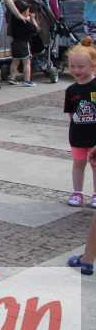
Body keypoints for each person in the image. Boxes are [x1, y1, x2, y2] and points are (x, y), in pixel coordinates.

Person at [64, 38, 96, 210]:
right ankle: (77, 192)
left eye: (81, 66)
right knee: (78, 164)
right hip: (77, 136)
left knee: (95, 165)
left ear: (92, 66)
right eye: (72, 66)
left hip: (95, 136)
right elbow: (71, 114)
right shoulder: (71, 90)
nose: (76, 70)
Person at [6, 0, 39, 87]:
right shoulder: (25, 23)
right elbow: (36, 29)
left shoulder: (14, 20)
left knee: (15, 62)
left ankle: (12, 78)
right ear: (23, 12)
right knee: (27, 63)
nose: (29, 12)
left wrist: (27, 18)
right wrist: (32, 19)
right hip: (23, 44)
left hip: (14, 43)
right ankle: (27, 80)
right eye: (28, 11)